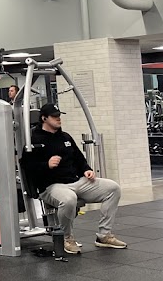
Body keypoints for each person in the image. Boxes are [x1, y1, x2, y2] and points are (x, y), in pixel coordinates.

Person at [22, 102, 127, 255]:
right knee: (69, 199)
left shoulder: (65, 137)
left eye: (59, 116)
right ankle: (67, 238)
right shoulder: (34, 141)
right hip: (52, 186)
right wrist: (46, 165)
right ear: (44, 118)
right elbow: (27, 167)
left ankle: (104, 236)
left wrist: (87, 170)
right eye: (54, 116)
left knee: (113, 188)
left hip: (77, 182)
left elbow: (79, 158)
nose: (58, 119)